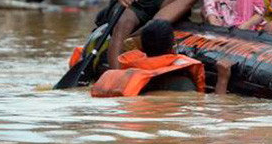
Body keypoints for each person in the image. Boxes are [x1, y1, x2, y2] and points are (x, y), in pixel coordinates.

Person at [92, 20, 232, 96]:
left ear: (142, 48)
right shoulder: (183, 85)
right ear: (173, 46)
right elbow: (216, 109)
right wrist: (223, 78)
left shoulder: (128, 74)